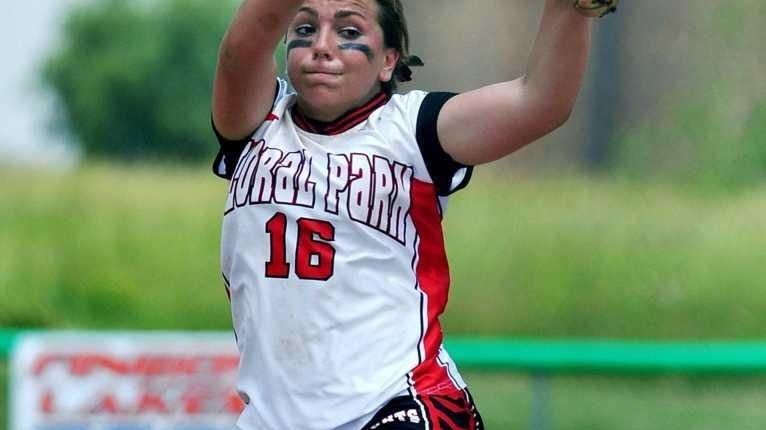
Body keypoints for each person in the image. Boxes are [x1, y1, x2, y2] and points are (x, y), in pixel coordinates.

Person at [210, 1, 616, 429]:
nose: (322, 46)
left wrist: (573, 8)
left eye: (349, 32)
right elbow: (244, 45)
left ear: (388, 61)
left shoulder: (411, 129)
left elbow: (540, 101)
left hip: (402, 404)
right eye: (306, 28)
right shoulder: (257, 122)